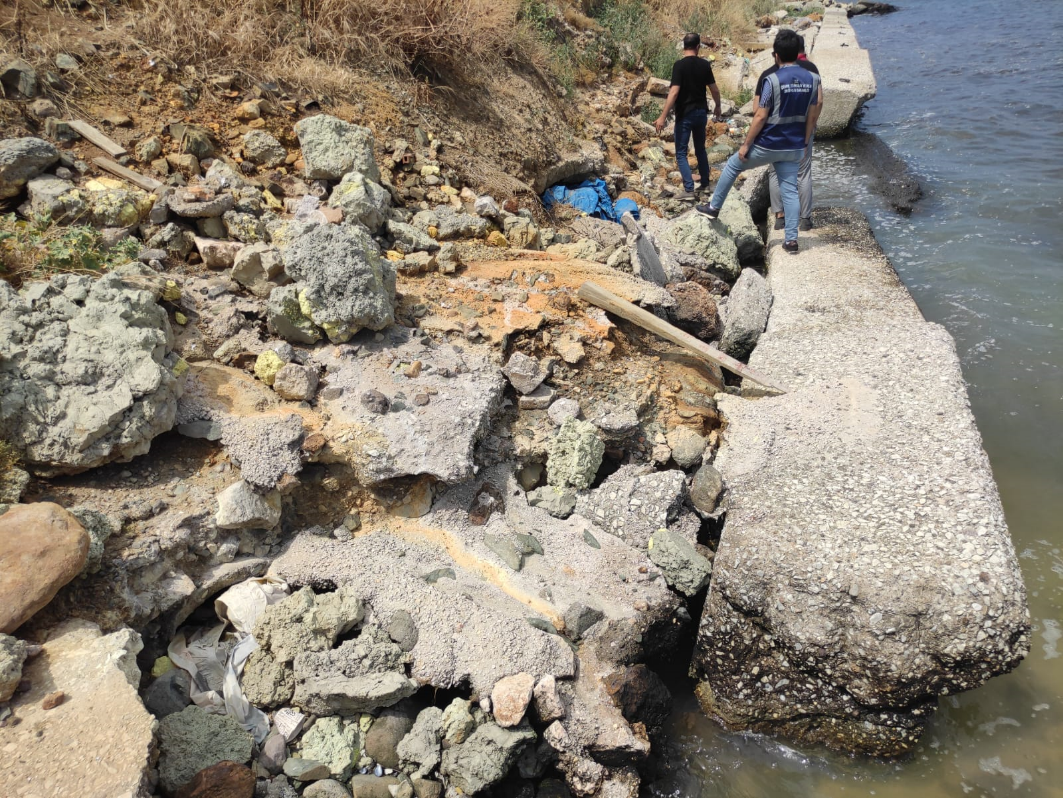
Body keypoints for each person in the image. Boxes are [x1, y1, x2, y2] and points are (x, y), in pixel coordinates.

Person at [696, 29, 823, 253]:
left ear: (776, 55)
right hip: (794, 145)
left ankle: (714, 207)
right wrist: (804, 140)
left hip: (768, 143)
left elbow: (760, 115)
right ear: (798, 52)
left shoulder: (771, 80)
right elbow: (813, 112)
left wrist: (746, 144)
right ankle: (791, 241)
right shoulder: (813, 79)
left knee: (733, 165)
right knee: (790, 190)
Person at [754, 36, 820, 231]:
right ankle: (805, 218)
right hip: (802, 129)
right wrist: (812, 124)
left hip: (775, 131)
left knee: (775, 172)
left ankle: (780, 216)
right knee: (803, 172)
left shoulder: (768, 75)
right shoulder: (811, 71)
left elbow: (757, 108)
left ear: (776, 54)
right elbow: (819, 102)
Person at [655, 33, 722, 202]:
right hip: (700, 113)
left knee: (681, 153)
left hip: (684, 114)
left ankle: (689, 190)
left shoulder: (679, 66)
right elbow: (714, 90)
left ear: (684, 46)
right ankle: (705, 185)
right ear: (698, 46)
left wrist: (663, 116)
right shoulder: (705, 65)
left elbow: (674, 91)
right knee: (700, 149)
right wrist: (718, 107)